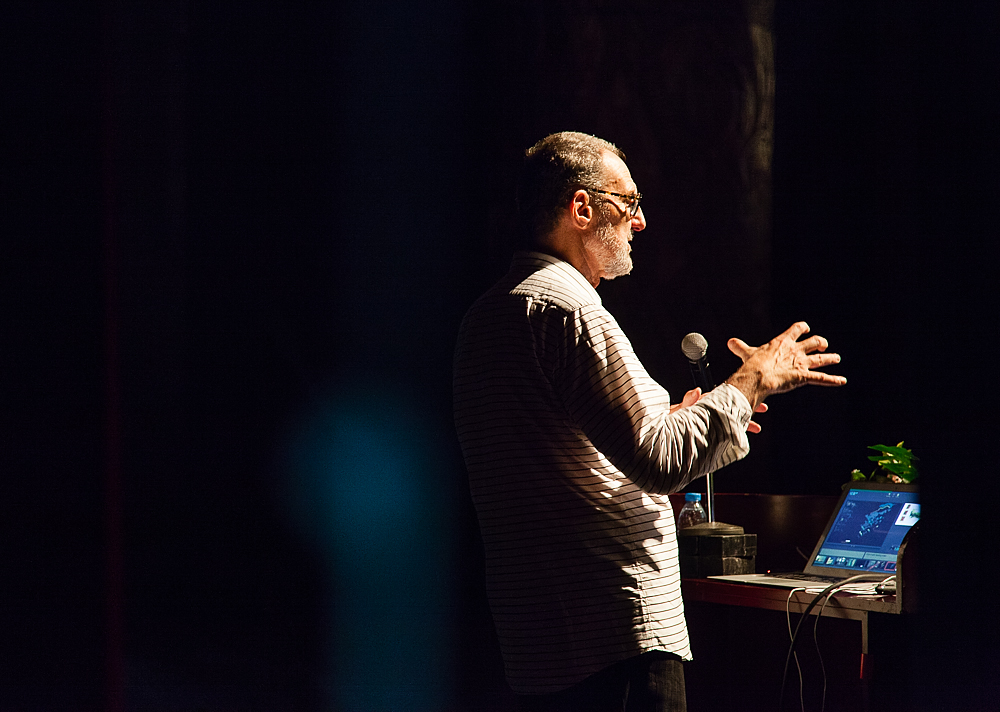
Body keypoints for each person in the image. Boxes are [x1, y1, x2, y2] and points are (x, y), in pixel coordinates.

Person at [453, 131, 846, 711]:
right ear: (582, 208)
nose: (639, 221)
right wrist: (752, 379)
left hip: (540, 643)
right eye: (629, 201)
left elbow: (563, 456)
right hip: (615, 636)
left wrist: (691, 416)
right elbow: (659, 460)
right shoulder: (570, 310)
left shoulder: (487, 315)